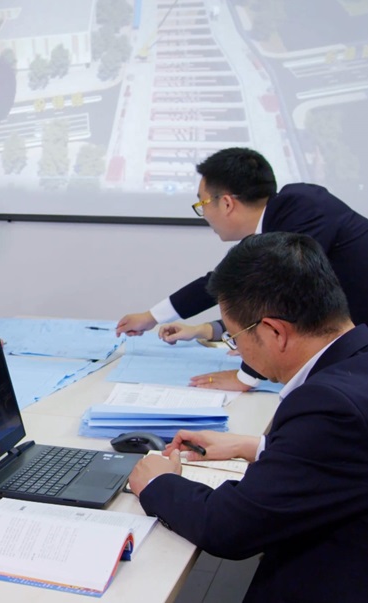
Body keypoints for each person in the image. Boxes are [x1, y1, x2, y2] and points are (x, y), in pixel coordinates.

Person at [128, 232, 368, 602]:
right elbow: (342, 459)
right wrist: (256, 446)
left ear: (275, 332)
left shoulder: (327, 404)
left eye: (234, 338)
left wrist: (158, 483)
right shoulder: (356, 361)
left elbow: (230, 528)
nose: (237, 349)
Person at [115, 147, 368, 391]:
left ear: (226, 203)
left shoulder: (302, 209)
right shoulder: (282, 218)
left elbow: (276, 297)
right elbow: (224, 282)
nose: (204, 214)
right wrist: (153, 317)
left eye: (202, 203)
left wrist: (246, 377)